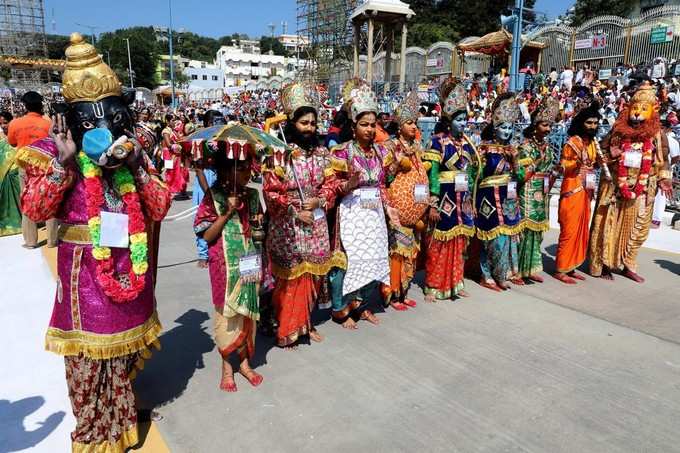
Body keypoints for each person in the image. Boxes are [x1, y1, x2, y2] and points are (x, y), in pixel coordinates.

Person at [15, 33, 172, 451]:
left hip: (129, 268)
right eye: (91, 123)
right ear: (69, 120)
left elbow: (158, 207)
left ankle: (120, 426)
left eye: (114, 121)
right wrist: (64, 167)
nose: (105, 131)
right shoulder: (51, 151)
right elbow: (32, 209)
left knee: (121, 362)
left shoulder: (134, 152)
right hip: (85, 276)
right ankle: (92, 436)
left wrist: (139, 166)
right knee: (86, 363)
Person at [263, 82, 340, 347]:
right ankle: (288, 327)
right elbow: (271, 193)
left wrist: (320, 200)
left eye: (313, 123)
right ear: (291, 122)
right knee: (290, 278)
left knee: (312, 276)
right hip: (288, 226)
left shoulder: (321, 153)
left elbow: (331, 185)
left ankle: (305, 322)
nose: (310, 128)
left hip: (316, 219)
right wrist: (296, 212)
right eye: (304, 123)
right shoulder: (278, 153)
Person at [194, 139, 264, 392]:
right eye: (242, 168)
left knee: (248, 313)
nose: (248, 173)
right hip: (225, 265)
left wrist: (258, 223)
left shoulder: (253, 195)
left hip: (251, 261)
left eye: (249, 168)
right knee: (227, 315)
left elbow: (259, 231)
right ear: (226, 169)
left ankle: (245, 363)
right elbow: (207, 236)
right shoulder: (213, 197)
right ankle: (226, 367)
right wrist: (226, 212)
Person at [328, 82, 397, 328]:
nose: (369, 130)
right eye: (364, 125)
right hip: (350, 215)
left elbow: (382, 185)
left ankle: (361, 305)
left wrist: (389, 208)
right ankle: (341, 308)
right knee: (347, 262)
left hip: (374, 214)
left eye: (373, 125)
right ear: (353, 126)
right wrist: (348, 186)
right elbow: (332, 186)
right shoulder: (341, 152)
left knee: (374, 257)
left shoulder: (381, 153)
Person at [589, 81, 673, 282]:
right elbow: (599, 156)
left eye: (644, 109)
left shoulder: (657, 135)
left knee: (637, 228)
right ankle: (604, 264)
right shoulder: (617, 131)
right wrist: (611, 153)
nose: (637, 113)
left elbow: (664, 161)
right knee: (608, 226)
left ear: (653, 111)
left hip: (642, 189)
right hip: (615, 187)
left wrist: (664, 179)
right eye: (635, 108)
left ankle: (628, 264)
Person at [423, 80, 478, 301]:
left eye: (465, 119)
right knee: (440, 243)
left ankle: (456, 282)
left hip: (462, 199)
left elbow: (472, 173)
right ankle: (433, 285)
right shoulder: (437, 142)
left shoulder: (467, 144)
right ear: (448, 120)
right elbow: (433, 174)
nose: (463, 123)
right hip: (445, 198)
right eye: (459, 119)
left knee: (459, 244)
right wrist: (433, 203)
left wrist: (471, 201)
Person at [382, 91, 430, 310]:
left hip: (416, 211)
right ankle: (392, 293)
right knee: (397, 253)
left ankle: (404, 291)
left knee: (411, 251)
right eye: (409, 123)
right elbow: (384, 176)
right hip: (397, 210)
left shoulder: (418, 147)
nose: (414, 127)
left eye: (416, 123)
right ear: (399, 125)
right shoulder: (391, 146)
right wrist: (397, 165)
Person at [475, 93, 524, 291]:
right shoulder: (484, 149)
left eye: (510, 127)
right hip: (488, 199)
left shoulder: (513, 150)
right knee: (492, 240)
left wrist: (515, 162)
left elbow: (519, 177)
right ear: (495, 128)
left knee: (507, 239)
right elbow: (475, 175)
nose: (507, 131)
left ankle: (501, 274)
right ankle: (486, 275)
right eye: (503, 127)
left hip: (509, 200)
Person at [553, 102, 601, 284]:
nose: (593, 126)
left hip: (586, 192)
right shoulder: (573, 143)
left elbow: (594, 164)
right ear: (581, 123)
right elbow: (563, 166)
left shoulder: (592, 143)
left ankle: (571, 266)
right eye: (589, 123)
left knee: (582, 230)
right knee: (569, 230)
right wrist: (577, 163)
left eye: (596, 123)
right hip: (572, 190)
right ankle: (560, 269)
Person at [516, 97, 560, 282]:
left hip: (542, 193)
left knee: (537, 233)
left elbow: (549, 171)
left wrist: (556, 173)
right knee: (524, 232)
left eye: (550, 125)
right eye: (544, 125)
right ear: (535, 126)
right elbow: (520, 174)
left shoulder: (548, 148)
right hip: (527, 190)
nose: (548, 129)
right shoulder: (525, 147)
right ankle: (517, 269)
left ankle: (531, 268)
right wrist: (537, 164)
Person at [7, 91, 57, 248]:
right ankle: (52, 241)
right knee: (50, 200)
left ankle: (30, 241)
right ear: (41, 104)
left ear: (25, 105)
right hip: (46, 167)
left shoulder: (15, 123)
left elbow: (12, 142)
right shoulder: (48, 123)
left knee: (27, 201)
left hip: (26, 167)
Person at [192, 110, 223, 268]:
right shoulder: (198, 140)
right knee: (203, 217)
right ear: (206, 124)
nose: (216, 125)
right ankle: (203, 254)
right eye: (213, 122)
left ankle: (218, 251)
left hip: (220, 178)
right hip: (204, 179)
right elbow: (198, 169)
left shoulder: (223, 139)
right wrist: (208, 193)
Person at [0, 111, 21, 236]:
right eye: (1, 123)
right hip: (4, 175)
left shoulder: (18, 136)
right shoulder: (1, 140)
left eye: (5, 123)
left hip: (15, 174)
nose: (3, 126)